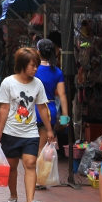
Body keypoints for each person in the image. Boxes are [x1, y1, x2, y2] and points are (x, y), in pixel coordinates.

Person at [0, 48, 54, 202]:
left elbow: (42, 108)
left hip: (31, 132)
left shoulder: (38, 84)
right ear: (22, 65)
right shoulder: (8, 82)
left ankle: (30, 200)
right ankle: (13, 195)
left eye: (37, 66)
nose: (35, 69)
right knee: (12, 167)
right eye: (33, 65)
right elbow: (4, 108)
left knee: (30, 163)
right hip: (10, 132)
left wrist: (49, 130)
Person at [34, 39, 68, 189]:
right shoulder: (58, 72)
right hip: (50, 111)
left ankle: (35, 179)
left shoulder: (33, 69)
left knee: (34, 147)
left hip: (33, 109)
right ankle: (40, 179)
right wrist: (65, 117)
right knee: (43, 147)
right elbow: (62, 95)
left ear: (38, 52)